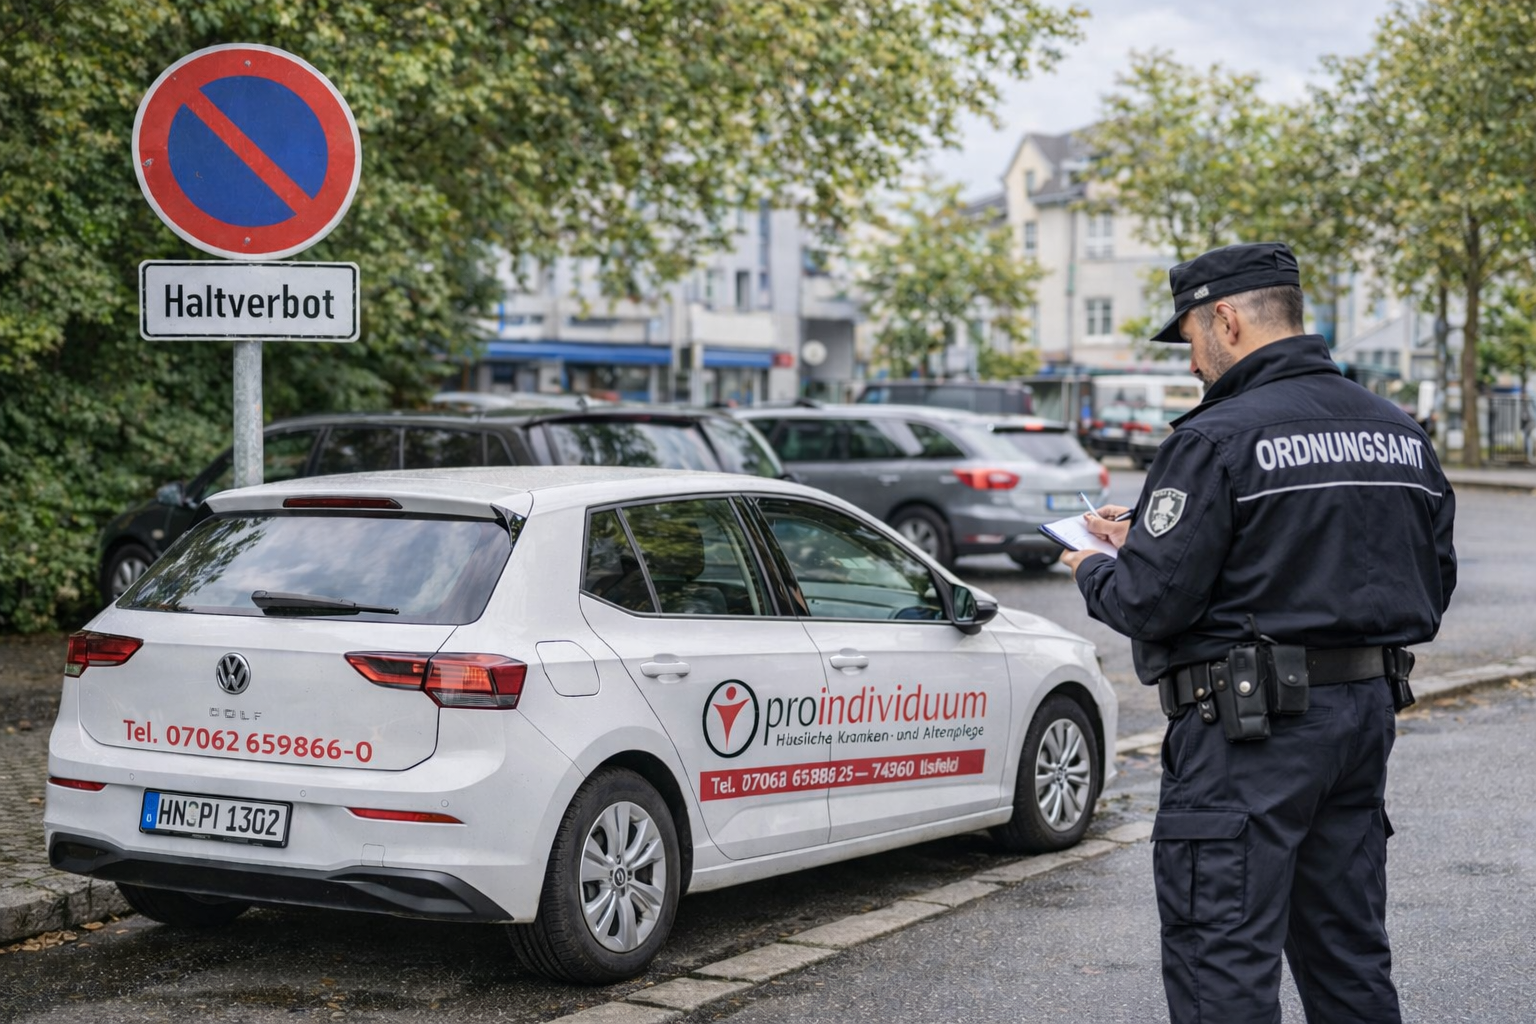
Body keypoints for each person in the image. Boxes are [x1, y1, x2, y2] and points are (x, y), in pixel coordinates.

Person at [1060, 241, 1457, 1024]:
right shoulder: (1397, 431)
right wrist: (1155, 535)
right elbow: (1428, 583)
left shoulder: (1215, 436)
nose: (1193, 364)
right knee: (1348, 958)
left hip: (1245, 738)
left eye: (1191, 339)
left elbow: (1149, 602)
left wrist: (1091, 566)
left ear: (1228, 320)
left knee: (1223, 968)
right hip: (1360, 724)